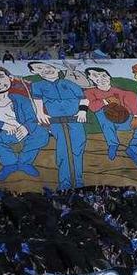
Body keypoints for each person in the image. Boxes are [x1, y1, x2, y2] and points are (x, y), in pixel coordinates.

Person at [0, 66, 50, 182]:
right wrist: (1, 125)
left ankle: (24, 162)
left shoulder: (21, 100)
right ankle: (10, 163)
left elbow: (32, 119)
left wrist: (26, 128)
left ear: (10, 78)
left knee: (41, 132)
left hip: (21, 133)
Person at [29, 62, 90, 190]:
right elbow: (38, 101)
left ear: (57, 70)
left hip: (75, 120)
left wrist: (82, 111)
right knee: (63, 151)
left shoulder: (70, 84)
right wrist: (40, 113)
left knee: (78, 149)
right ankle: (65, 184)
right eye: (43, 69)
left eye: (50, 67)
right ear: (37, 73)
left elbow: (83, 99)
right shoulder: (38, 85)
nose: (47, 70)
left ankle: (78, 181)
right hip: (57, 121)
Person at [83, 67, 137, 160]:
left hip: (125, 121)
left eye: (104, 75)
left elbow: (132, 98)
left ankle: (134, 149)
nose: (101, 78)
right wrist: (106, 101)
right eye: (95, 76)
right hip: (108, 123)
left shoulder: (120, 92)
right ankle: (113, 144)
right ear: (90, 79)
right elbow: (93, 107)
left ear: (109, 77)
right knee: (101, 111)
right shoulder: (89, 92)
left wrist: (136, 116)